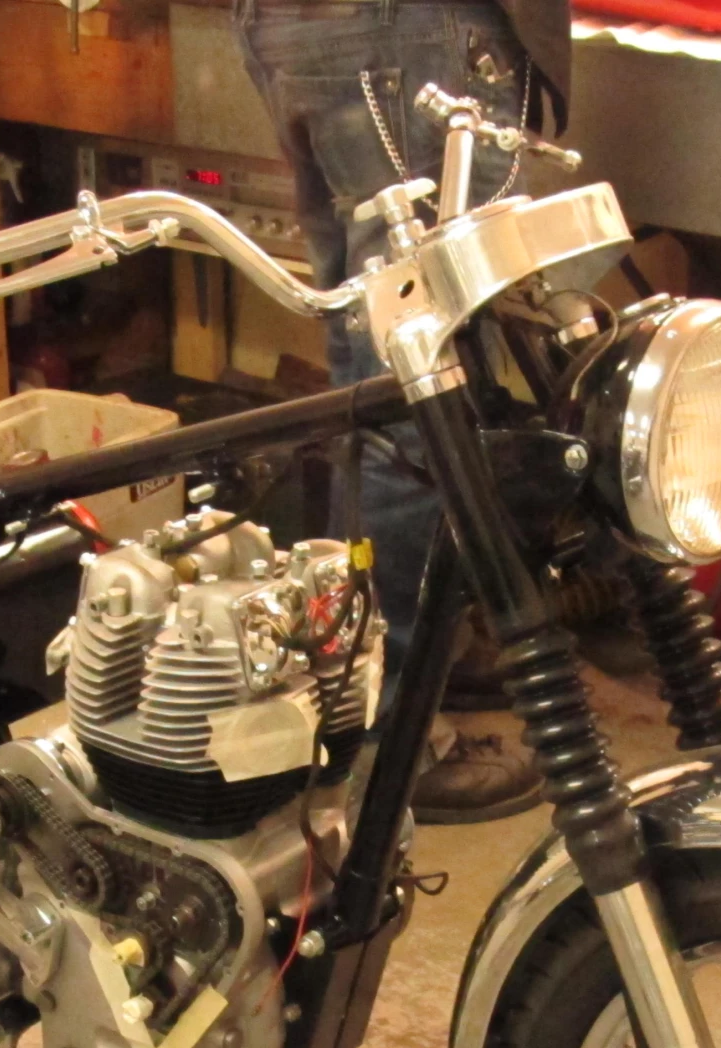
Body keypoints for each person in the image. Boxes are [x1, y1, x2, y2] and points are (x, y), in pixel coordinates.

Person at [234, 0, 572, 824]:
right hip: (410, 32)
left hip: (303, 27)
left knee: (373, 370)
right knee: (415, 389)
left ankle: (402, 662)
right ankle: (387, 739)